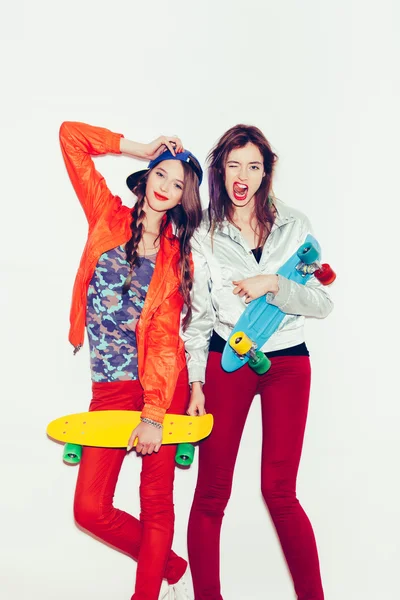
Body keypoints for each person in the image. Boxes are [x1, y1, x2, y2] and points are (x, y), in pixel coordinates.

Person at [182, 124, 334, 600]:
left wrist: (274, 284)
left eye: (253, 165)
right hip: (228, 360)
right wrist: (196, 383)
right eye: (233, 165)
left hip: (288, 364)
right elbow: (199, 317)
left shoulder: (296, 224)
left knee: (280, 492)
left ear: (267, 171)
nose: (242, 175)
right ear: (220, 171)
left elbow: (322, 302)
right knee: (211, 493)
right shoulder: (203, 233)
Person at [59, 121, 203, 600]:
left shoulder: (174, 257)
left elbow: (164, 341)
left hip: (159, 387)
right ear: (145, 177)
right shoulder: (107, 216)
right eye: (160, 175)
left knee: (156, 500)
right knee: (90, 509)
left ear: (184, 198)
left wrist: (155, 415)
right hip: (108, 389)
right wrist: (141, 147)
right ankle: (174, 567)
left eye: (177, 185)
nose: (166, 188)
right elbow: (70, 137)